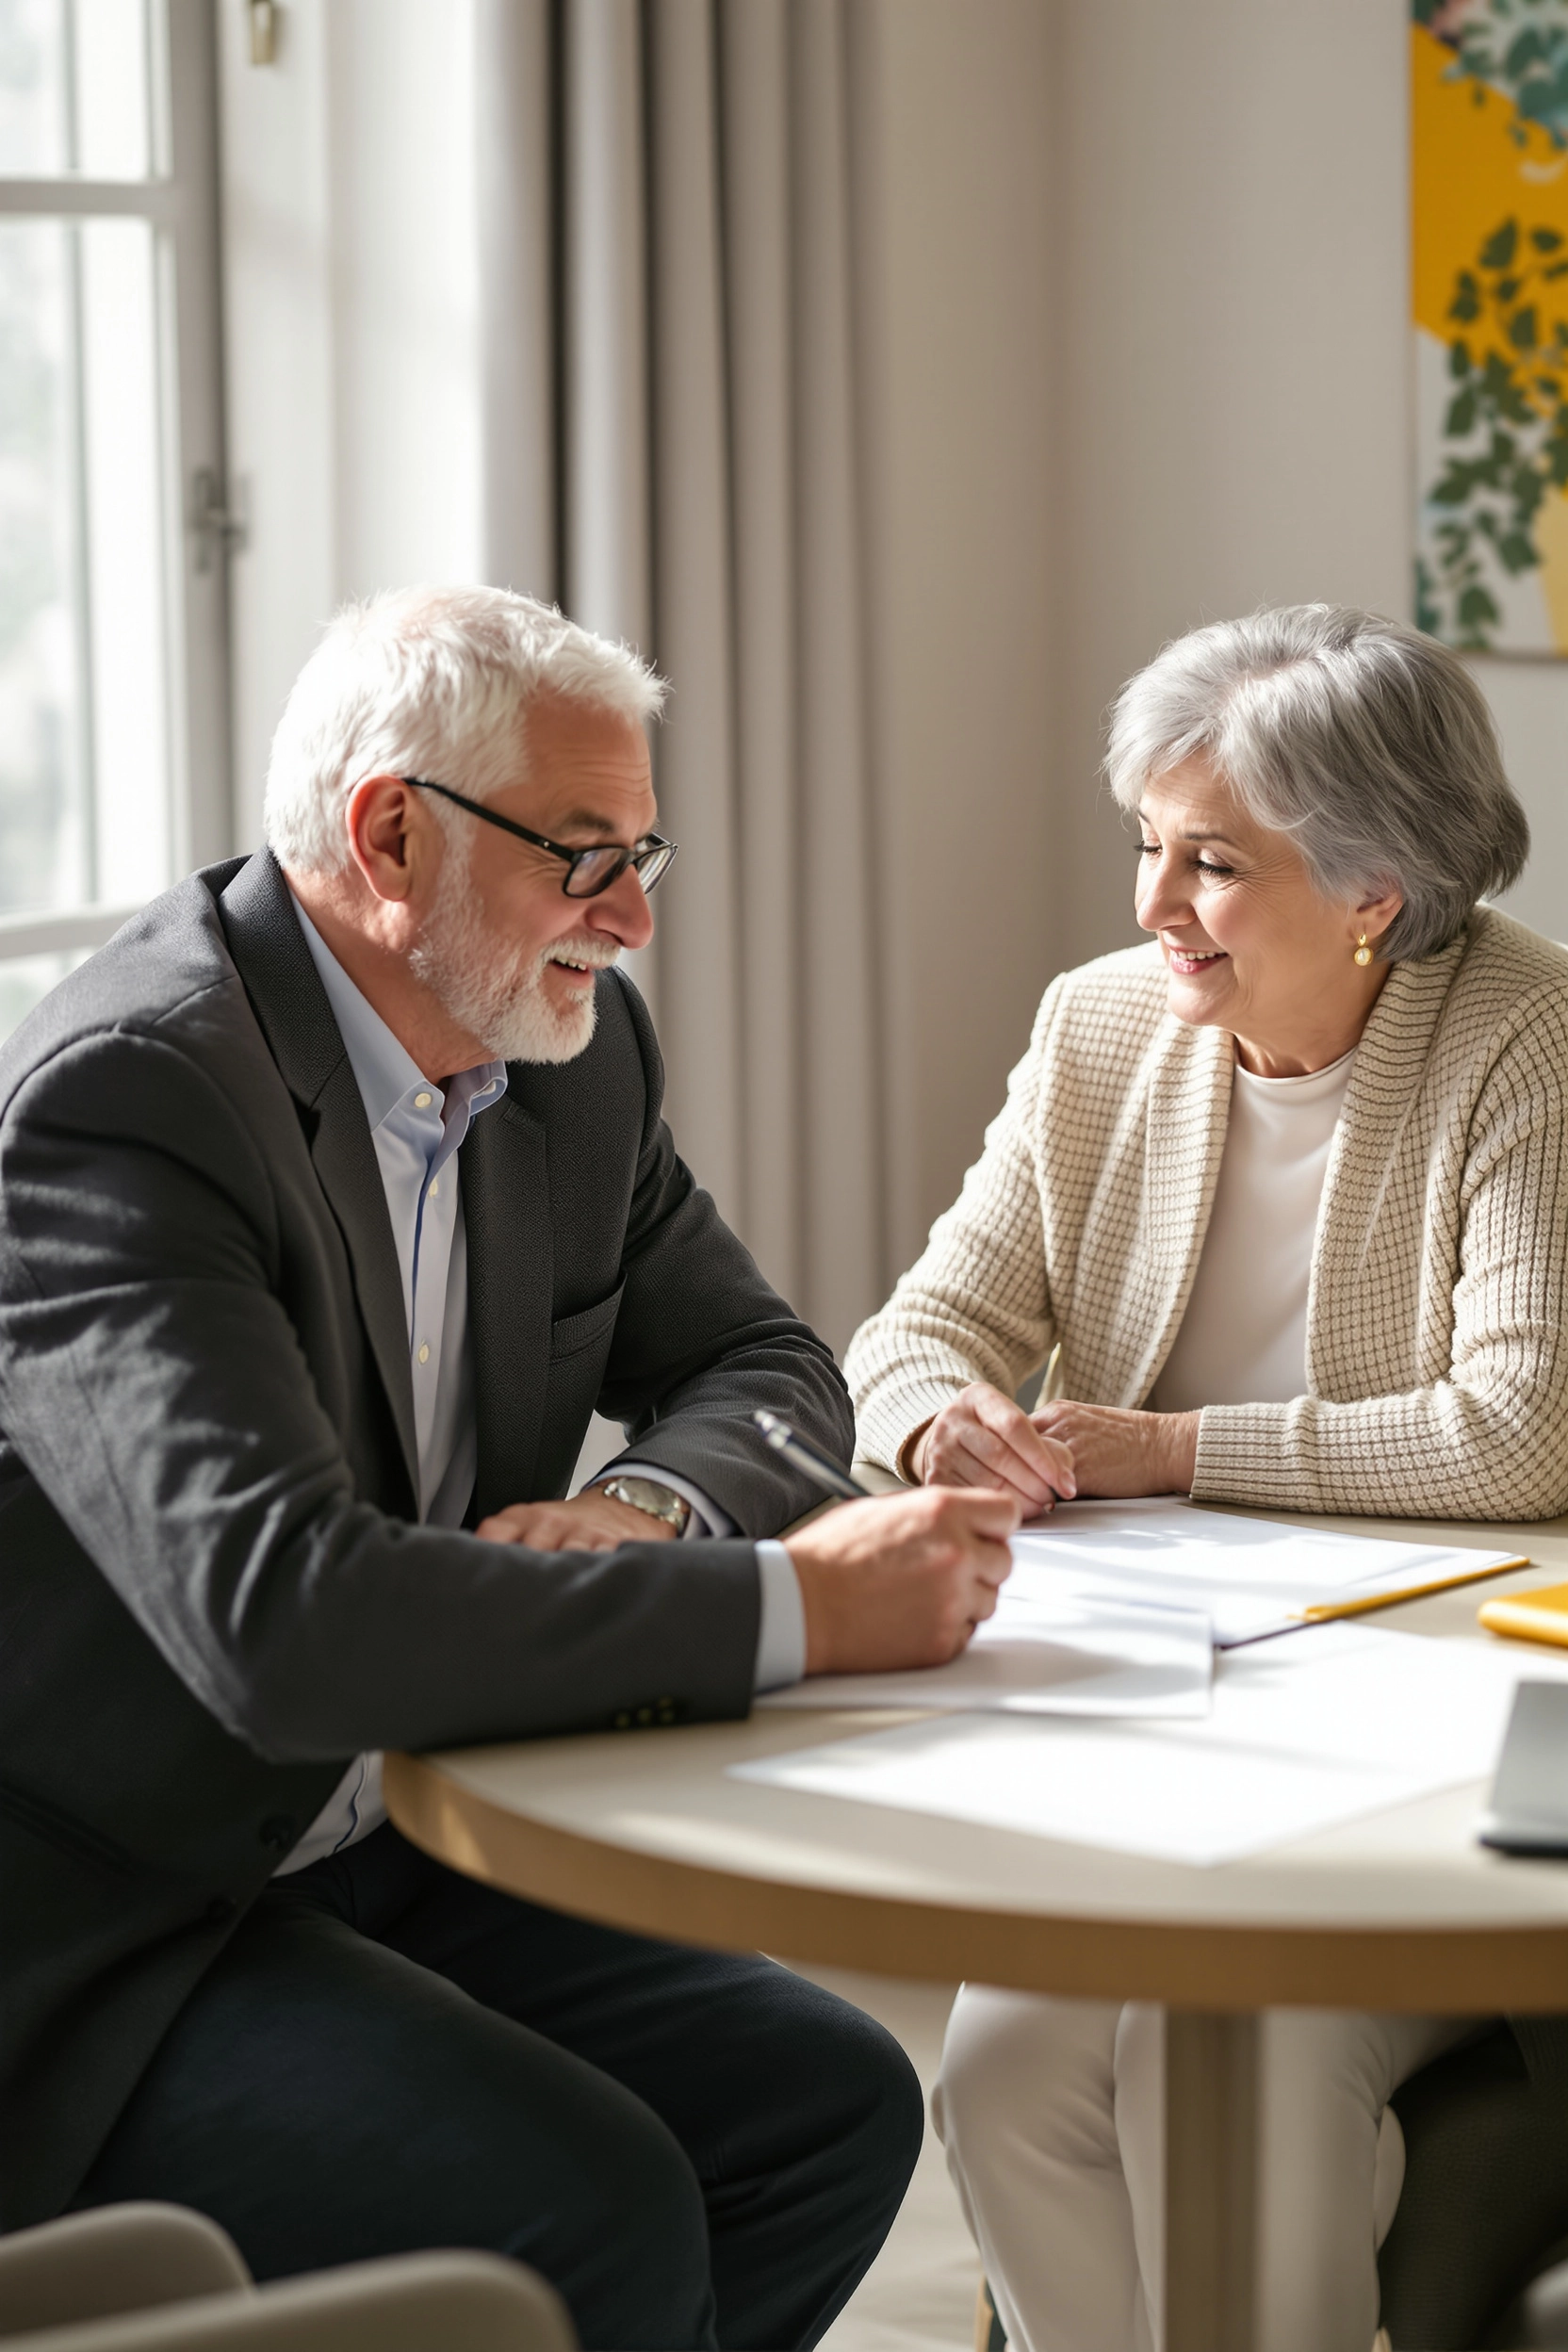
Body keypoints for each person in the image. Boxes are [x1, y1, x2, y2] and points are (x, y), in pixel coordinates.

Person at [0, 586, 1021, 2352]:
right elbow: (281, 1622)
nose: (629, 918)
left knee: (830, 2115)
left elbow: (766, 1365)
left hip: (371, 1833)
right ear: (390, 834)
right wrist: (788, 1605)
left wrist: (639, 1506)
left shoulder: (561, 1059)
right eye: (581, 855)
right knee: (593, 2208)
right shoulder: (136, 1097)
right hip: (110, 1917)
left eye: (645, 853)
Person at [845, 604, 1568, 2352]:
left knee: (1208, 2063)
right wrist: (945, 1420)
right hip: (1155, 1725)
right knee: (1004, 2071)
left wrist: (1169, 1450)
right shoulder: (1102, 1030)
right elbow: (911, 1331)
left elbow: (1523, 1426)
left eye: (1213, 866)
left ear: (1376, 891)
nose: (1153, 908)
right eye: (1148, 850)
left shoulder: (1527, 1036)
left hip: (1435, 1744)